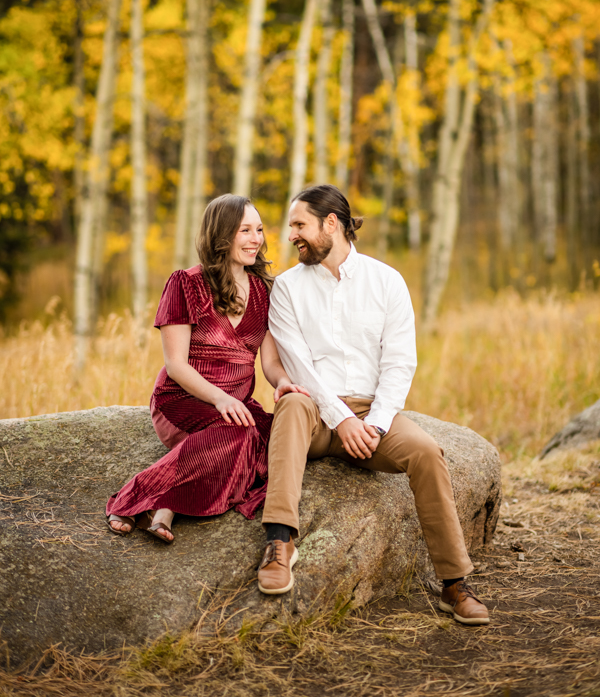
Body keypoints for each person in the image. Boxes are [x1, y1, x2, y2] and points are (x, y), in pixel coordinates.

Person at [257, 184, 490, 626]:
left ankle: (454, 583)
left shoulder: (388, 282)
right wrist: (342, 420)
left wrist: (376, 424)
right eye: (291, 227)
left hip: (371, 415)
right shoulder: (286, 288)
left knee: (426, 452)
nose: (292, 235)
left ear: (332, 224)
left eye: (299, 225)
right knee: (290, 404)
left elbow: (400, 363)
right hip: (314, 412)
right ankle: (279, 541)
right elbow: (299, 367)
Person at [106, 194, 308, 544]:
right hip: (183, 400)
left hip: (233, 406)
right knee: (241, 434)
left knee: (275, 441)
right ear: (222, 235)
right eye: (245, 230)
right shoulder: (185, 283)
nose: (256, 239)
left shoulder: (266, 291)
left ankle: (166, 506)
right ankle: (136, 497)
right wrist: (221, 400)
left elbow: (270, 362)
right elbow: (176, 365)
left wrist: (283, 383)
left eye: (259, 230)